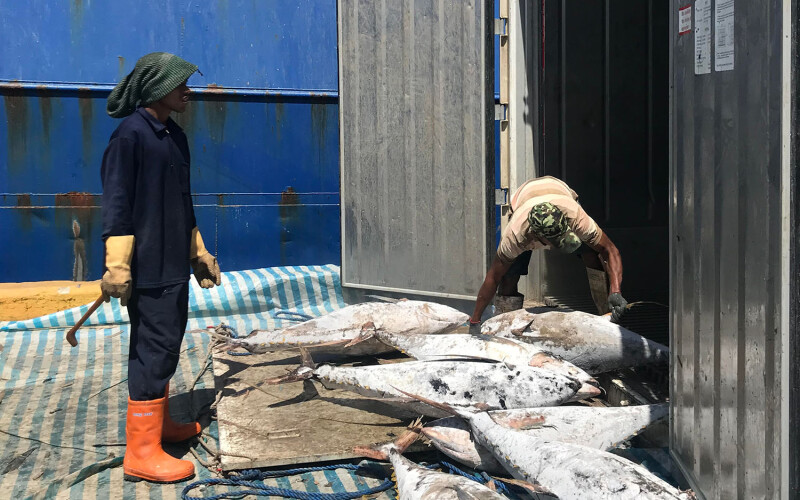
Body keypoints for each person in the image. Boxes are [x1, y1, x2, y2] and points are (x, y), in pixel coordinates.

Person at [101, 52, 221, 483]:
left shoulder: (173, 136)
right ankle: (142, 451)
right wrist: (117, 265)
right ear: (156, 88)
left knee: (167, 343)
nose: (188, 90)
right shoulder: (129, 137)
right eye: (180, 84)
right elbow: (117, 205)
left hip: (173, 264)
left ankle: (162, 424)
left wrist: (198, 253)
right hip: (147, 267)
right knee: (152, 349)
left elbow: (182, 204)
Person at [470, 176, 627, 328]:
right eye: (556, 242)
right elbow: (494, 277)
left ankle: (607, 314)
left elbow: (610, 250)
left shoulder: (576, 218)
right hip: (523, 197)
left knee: (593, 256)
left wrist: (615, 291)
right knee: (508, 278)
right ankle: (505, 326)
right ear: (537, 237)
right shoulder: (516, 236)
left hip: (558, 191)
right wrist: (475, 319)